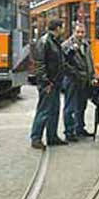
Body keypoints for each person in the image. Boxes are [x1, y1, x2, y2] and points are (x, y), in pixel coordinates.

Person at [30, 19, 66, 149]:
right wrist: (45, 82)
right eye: (62, 27)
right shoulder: (45, 41)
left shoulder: (55, 41)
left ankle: (52, 136)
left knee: (54, 110)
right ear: (57, 28)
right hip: (48, 83)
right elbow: (40, 64)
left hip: (55, 82)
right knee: (44, 110)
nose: (63, 30)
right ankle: (36, 138)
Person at [61, 21, 94, 142]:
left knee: (82, 105)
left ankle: (80, 128)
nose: (80, 34)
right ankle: (69, 132)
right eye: (78, 32)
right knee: (70, 107)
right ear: (73, 32)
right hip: (72, 80)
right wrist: (76, 73)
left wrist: (92, 76)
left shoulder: (86, 44)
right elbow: (64, 64)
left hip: (84, 80)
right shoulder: (66, 45)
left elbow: (89, 61)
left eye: (82, 32)